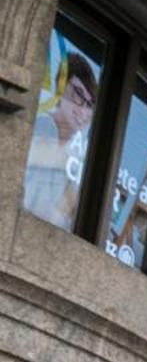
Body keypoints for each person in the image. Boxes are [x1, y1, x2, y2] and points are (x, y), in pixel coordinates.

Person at [20, 43, 99, 231]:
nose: (82, 109)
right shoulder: (36, 127)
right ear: (60, 87)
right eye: (78, 94)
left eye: (90, 104)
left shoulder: (80, 156)